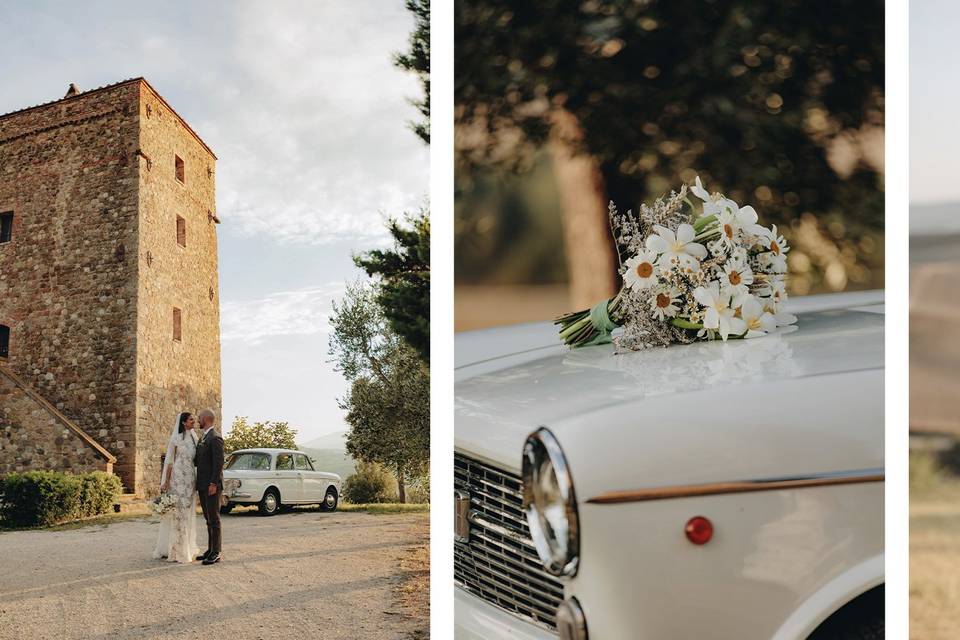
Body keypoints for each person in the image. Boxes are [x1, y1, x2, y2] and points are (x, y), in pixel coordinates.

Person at [152, 411, 201, 563]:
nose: (194, 421)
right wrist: (166, 481)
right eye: (191, 419)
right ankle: (176, 550)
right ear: (184, 422)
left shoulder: (194, 438)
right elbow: (170, 462)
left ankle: (188, 546)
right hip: (178, 479)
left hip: (190, 479)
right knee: (178, 512)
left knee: (188, 512)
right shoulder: (176, 439)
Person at [194, 408, 224, 565]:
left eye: (199, 418)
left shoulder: (215, 438)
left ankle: (216, 552)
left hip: (211, 485)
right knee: (207, 518)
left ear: (205, 419)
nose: (198, 420)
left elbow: (218, 463)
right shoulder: (203, 438)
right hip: (202, 484)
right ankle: (210, 549)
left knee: (214, 518)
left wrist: (214, 483)